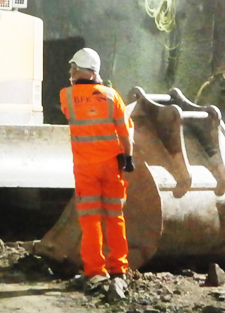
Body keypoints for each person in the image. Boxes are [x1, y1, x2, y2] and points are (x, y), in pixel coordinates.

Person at [60, 47, 135, 299]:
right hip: (112, 165)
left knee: (90, 219)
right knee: (115, 216)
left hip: (85, 169)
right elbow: (125, 132)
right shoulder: (112, 96)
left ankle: (95, 270)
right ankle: (118, 270)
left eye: (74, 68)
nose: (70, 72)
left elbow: (73, 113)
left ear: (87, 72)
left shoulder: (66, 96)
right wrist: (129, 157)